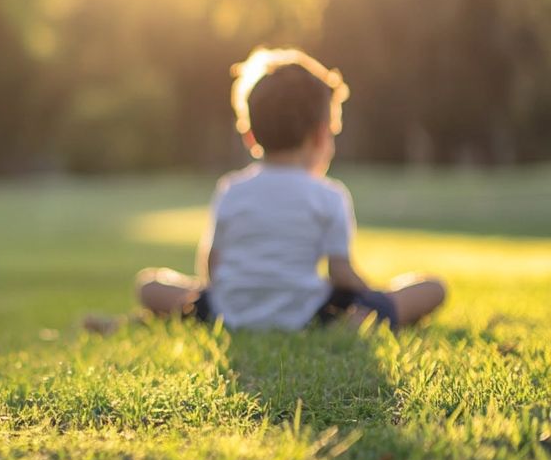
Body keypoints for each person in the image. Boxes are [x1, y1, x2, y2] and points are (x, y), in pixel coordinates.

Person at [128, 47, 444, 332]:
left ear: (250, 136)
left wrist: (222, 295)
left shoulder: (231, 189)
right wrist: (374, 295)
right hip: (307, 315)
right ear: (322, 137)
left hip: (229, 312)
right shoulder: (329, 195)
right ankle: (356, 320)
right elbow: (341, 273)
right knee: (431, 288)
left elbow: (212, 265)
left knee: (150, 286)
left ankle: (172, 314)